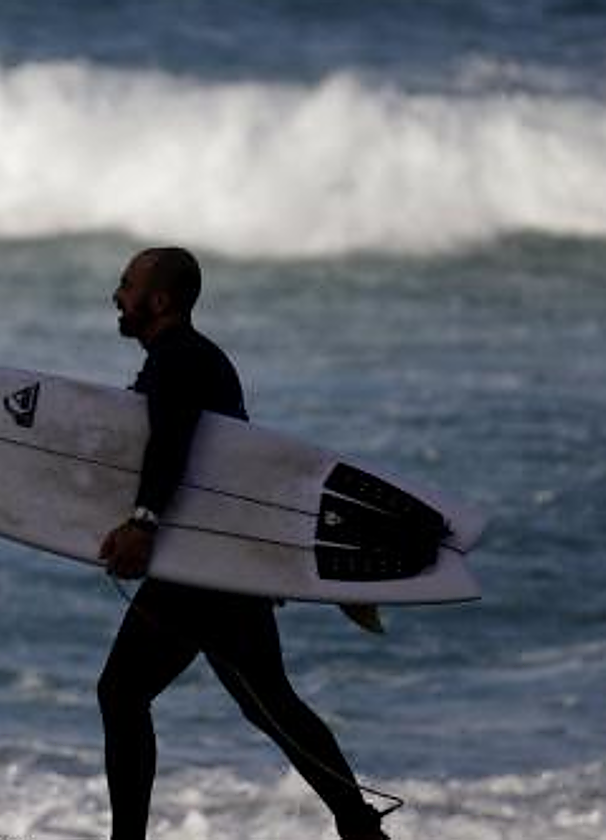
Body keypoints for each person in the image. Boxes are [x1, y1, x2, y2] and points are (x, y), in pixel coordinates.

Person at [97, 247, 390, 840]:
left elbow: (171, 446)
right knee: (267, 702)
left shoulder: (179, 361)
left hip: (203, 564)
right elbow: (233, 468)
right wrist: (263, 555)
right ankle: (361, 829)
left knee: (124, 693)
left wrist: (143, 524)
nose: (117, 296)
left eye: (127, 285)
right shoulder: (191, 358)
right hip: (217, 556)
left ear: (160, 300)